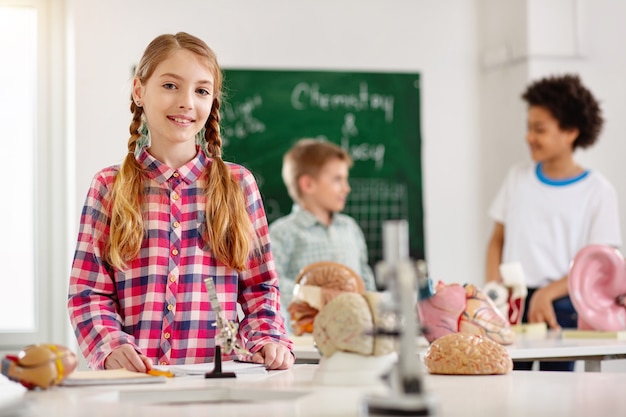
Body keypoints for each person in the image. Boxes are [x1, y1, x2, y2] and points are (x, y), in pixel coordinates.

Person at [67, 32, 293, 372]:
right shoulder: (108, 187)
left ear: (212, 100)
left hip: (218, 387)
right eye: (171, 85)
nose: (187, 101)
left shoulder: (237, 185)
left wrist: (269, 338)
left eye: (201, 90)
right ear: (139, 91)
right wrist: (110, 346)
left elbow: (260, 289)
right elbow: (88, 293)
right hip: (136, 386)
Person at [485, 74, 622, 371]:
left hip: (561, 307)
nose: (529, 137)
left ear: (571, 131)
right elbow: (497, 239)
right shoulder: (517, 178)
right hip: (512, 304)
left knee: (556, 394)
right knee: (506, 383)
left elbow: (598, 268)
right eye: (528, 127)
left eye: (539, 129)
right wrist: (493, 289)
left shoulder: (598, 191)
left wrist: (547, 294)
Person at [269, 139, 377, 332]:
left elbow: (365, 277)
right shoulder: (283, 232)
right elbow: (270, 283)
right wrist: (311, 294)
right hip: (306, 338)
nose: (346, 188)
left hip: (353, 333)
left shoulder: (350, 228)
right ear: (308, 184)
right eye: (338, 179)